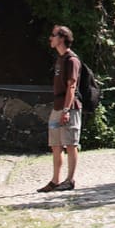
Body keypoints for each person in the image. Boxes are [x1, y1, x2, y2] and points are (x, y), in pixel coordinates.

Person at [38, 25, 81, 193]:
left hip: (69, 109)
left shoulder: (72, 60)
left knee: (70, 144)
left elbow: (72, 87)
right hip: (57, 107)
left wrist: (66, 110)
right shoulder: (60, 59)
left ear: (62, 38)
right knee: (56, 144)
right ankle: (55, 181)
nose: (50, 38)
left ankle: (70, 180)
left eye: (53, 35)